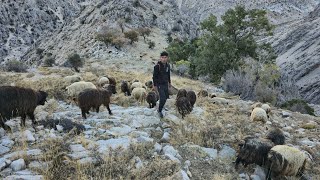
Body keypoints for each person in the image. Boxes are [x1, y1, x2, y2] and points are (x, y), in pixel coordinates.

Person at [153, 51, 171, 118]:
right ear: (160, 58)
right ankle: (159, 110)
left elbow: (168, 75)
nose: (164, 59)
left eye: (165, 57)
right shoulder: (157, 66)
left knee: (166, 97)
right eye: (162, 57)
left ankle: (162, 106)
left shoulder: (168, 66)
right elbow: (154, 76)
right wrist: (155, 85)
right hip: (159, 84)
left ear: (167, 58)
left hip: (165, 84)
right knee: (162, 98)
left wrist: (169, 82)